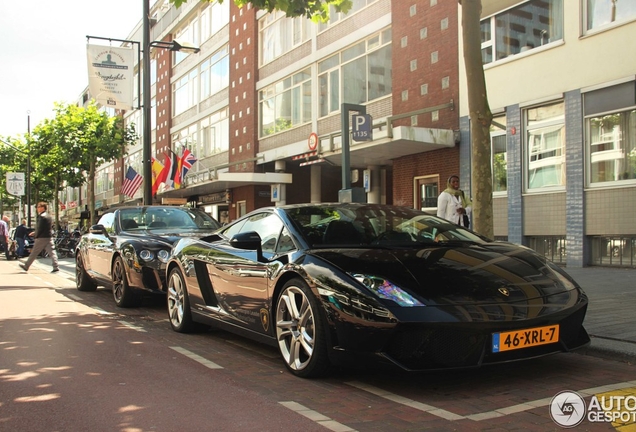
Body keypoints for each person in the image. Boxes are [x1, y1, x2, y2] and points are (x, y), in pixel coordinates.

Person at [20, 202, 59, 273]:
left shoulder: (41, 217)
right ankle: (56, 267)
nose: (37, 208)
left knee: (34, 252)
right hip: (49, 236)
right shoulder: (49, 216)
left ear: (42, 208)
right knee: (52, 252)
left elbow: (39, 228)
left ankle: (26, 266)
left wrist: (35, 235)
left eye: (38, 207)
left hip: (41, 238)